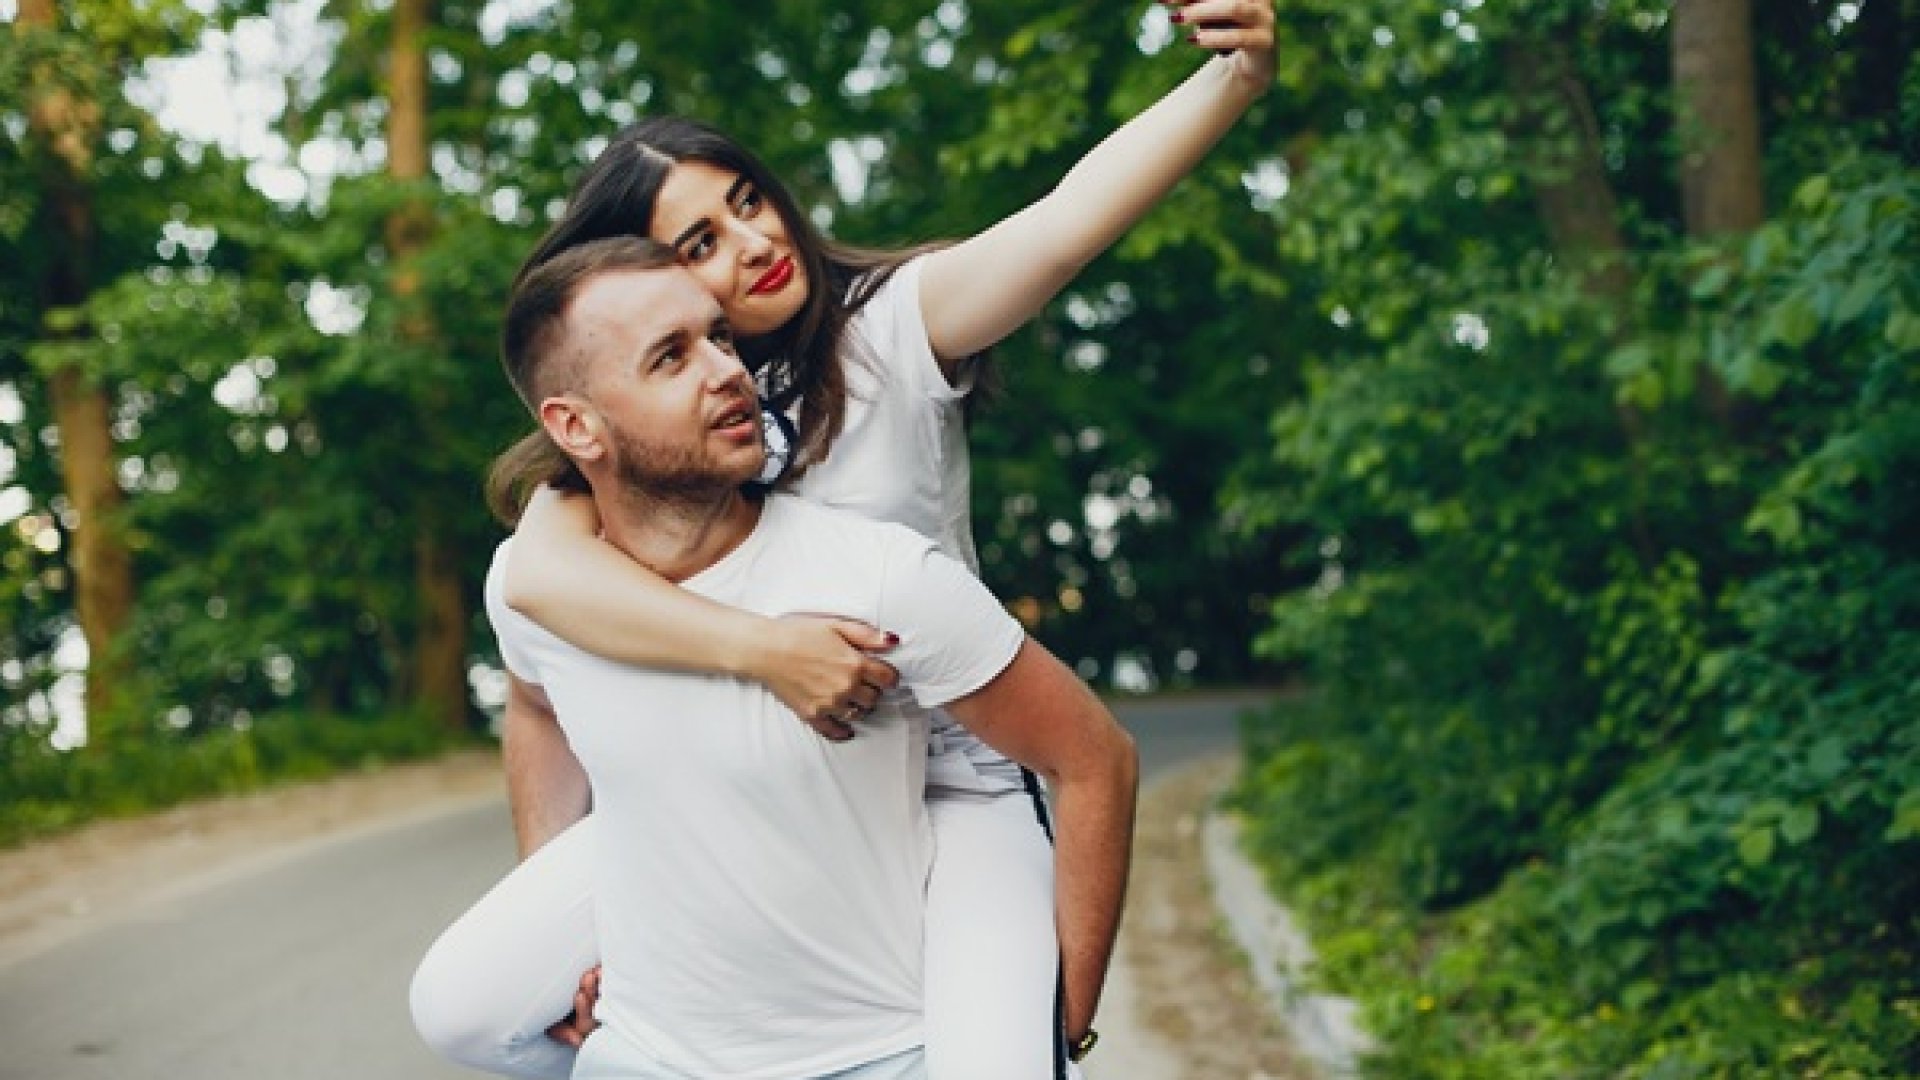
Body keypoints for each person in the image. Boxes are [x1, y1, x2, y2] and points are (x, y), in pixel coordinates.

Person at [412, 6, 1274, 1076]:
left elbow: (1060, 224)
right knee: (467, 1007)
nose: (757, 241)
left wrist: (1231, 81)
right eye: (700, 243)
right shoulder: (635, 442)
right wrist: (598, 924)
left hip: (949, 768)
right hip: (768, 778)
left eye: (748, 200)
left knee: (1001, 1062)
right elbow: (539, 606)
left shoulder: (886, 332)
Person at [461, 235, 1138, 1079]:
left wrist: (1059, 1020)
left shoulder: (878, 579)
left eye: (721, 337)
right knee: (458, 1010)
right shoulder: (534, 590)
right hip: (643, 1056)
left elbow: (1093, 758)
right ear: (575, 426)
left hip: (883, 1056)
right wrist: (569, 943)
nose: (726, 371)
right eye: (671, 358)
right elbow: (534, 705)